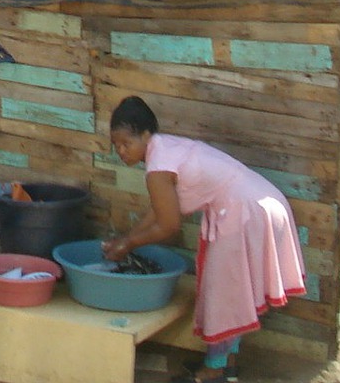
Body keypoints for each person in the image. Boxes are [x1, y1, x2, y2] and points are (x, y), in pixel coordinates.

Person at [101, 96, 306, 383]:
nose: (121, 151)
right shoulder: (166, 149)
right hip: (261, 202)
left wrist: (130, 244)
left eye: (127, 143)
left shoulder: (158, 166)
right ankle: (226, 364)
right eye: (117, 145)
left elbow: (168, 225)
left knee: (222, 296)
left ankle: (212, 371)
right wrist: (127, 238)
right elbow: (159, 212)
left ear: (147, 135)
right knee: (234, 293)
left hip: (244, 212)